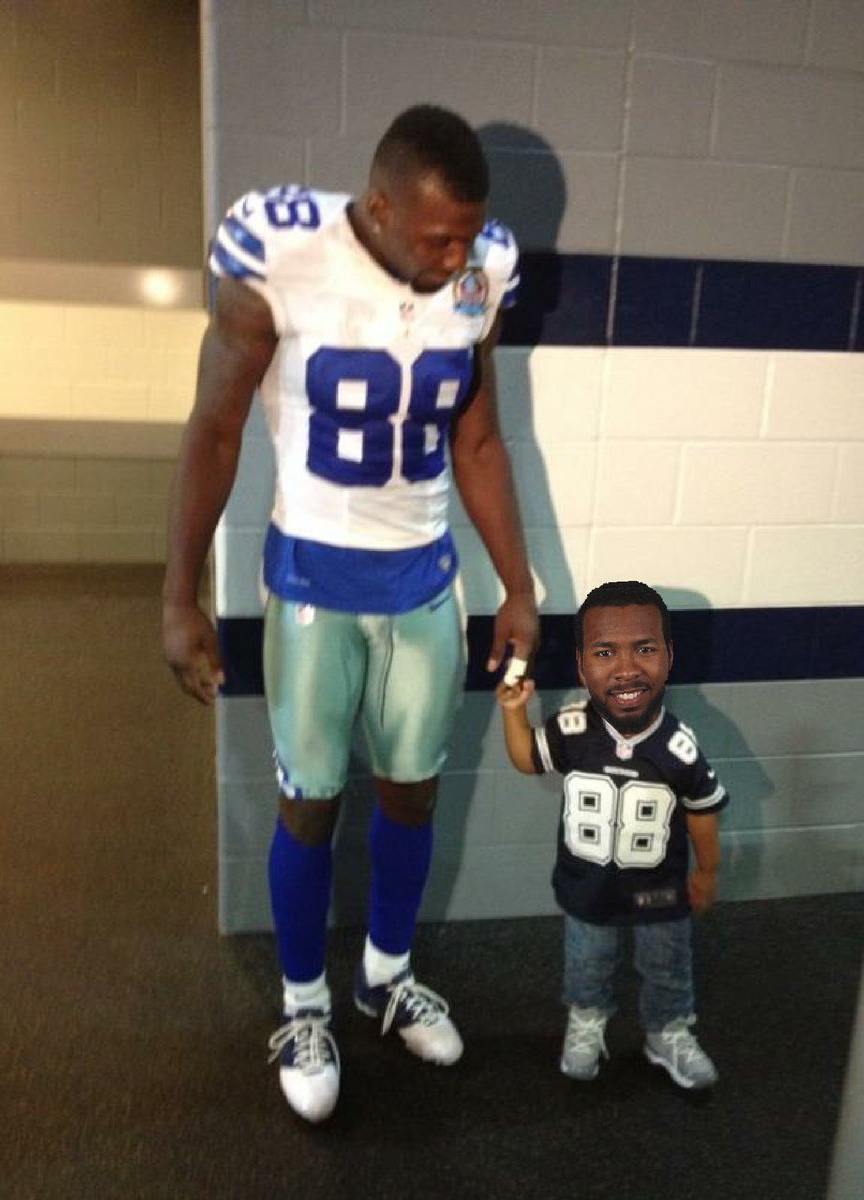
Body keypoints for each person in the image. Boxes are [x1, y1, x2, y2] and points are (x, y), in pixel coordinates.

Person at [163, 104, 538, 1122]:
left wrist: (519, 586)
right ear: (377, 209)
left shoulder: (482, 268)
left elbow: (478, 439)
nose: (457, 258)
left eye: (468, 236)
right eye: (437, 239)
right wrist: (178, 590)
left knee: (413, 794)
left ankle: (384, 974)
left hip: (423, 581)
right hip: (314, 585)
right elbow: (215, 426)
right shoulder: (283, 250)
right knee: (312, 803)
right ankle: (302, 1004)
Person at [496, 581, 727, 1090]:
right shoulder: (572, 728)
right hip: (589, 885)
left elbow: (702, 811)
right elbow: (527, 759)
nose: (626, 668)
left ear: (669, 657)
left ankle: (667, 1031)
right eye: (605, 653)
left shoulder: (678, 746)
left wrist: (707, 870)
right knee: (587, 963)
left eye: (644, 649)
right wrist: (513, 710)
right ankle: (587, 1020)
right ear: (581, 667)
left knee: (667, 965)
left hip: (661, 891)